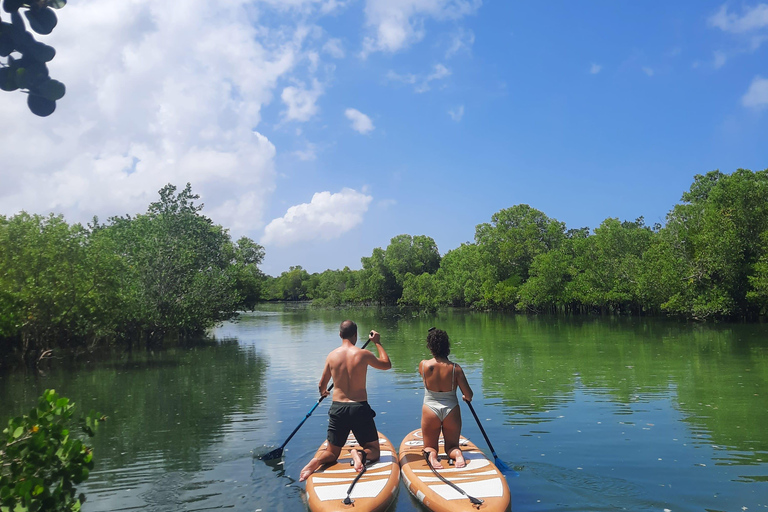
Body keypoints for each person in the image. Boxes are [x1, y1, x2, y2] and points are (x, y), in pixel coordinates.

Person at [299, 320, 392, 482]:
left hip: (338, 409)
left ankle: (317, 461)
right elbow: (386, 365)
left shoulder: (332, 356)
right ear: (355, 335)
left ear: (340, 335)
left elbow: (322, 385)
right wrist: (377, 343)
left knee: (332, 453)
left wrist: (324, 392)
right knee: (374, 451)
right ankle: (360, 454)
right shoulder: (363, 354)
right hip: (359, 408)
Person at [419, 327, 473, 470]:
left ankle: (431, 456)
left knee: (430, 446)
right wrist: (465, 397)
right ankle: (458, 456)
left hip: (430, 409)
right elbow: (469, 395)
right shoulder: (456, 368)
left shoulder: (423, 365)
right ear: (447, 346)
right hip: (451, 409)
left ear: (430, 346)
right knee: (452, 447)